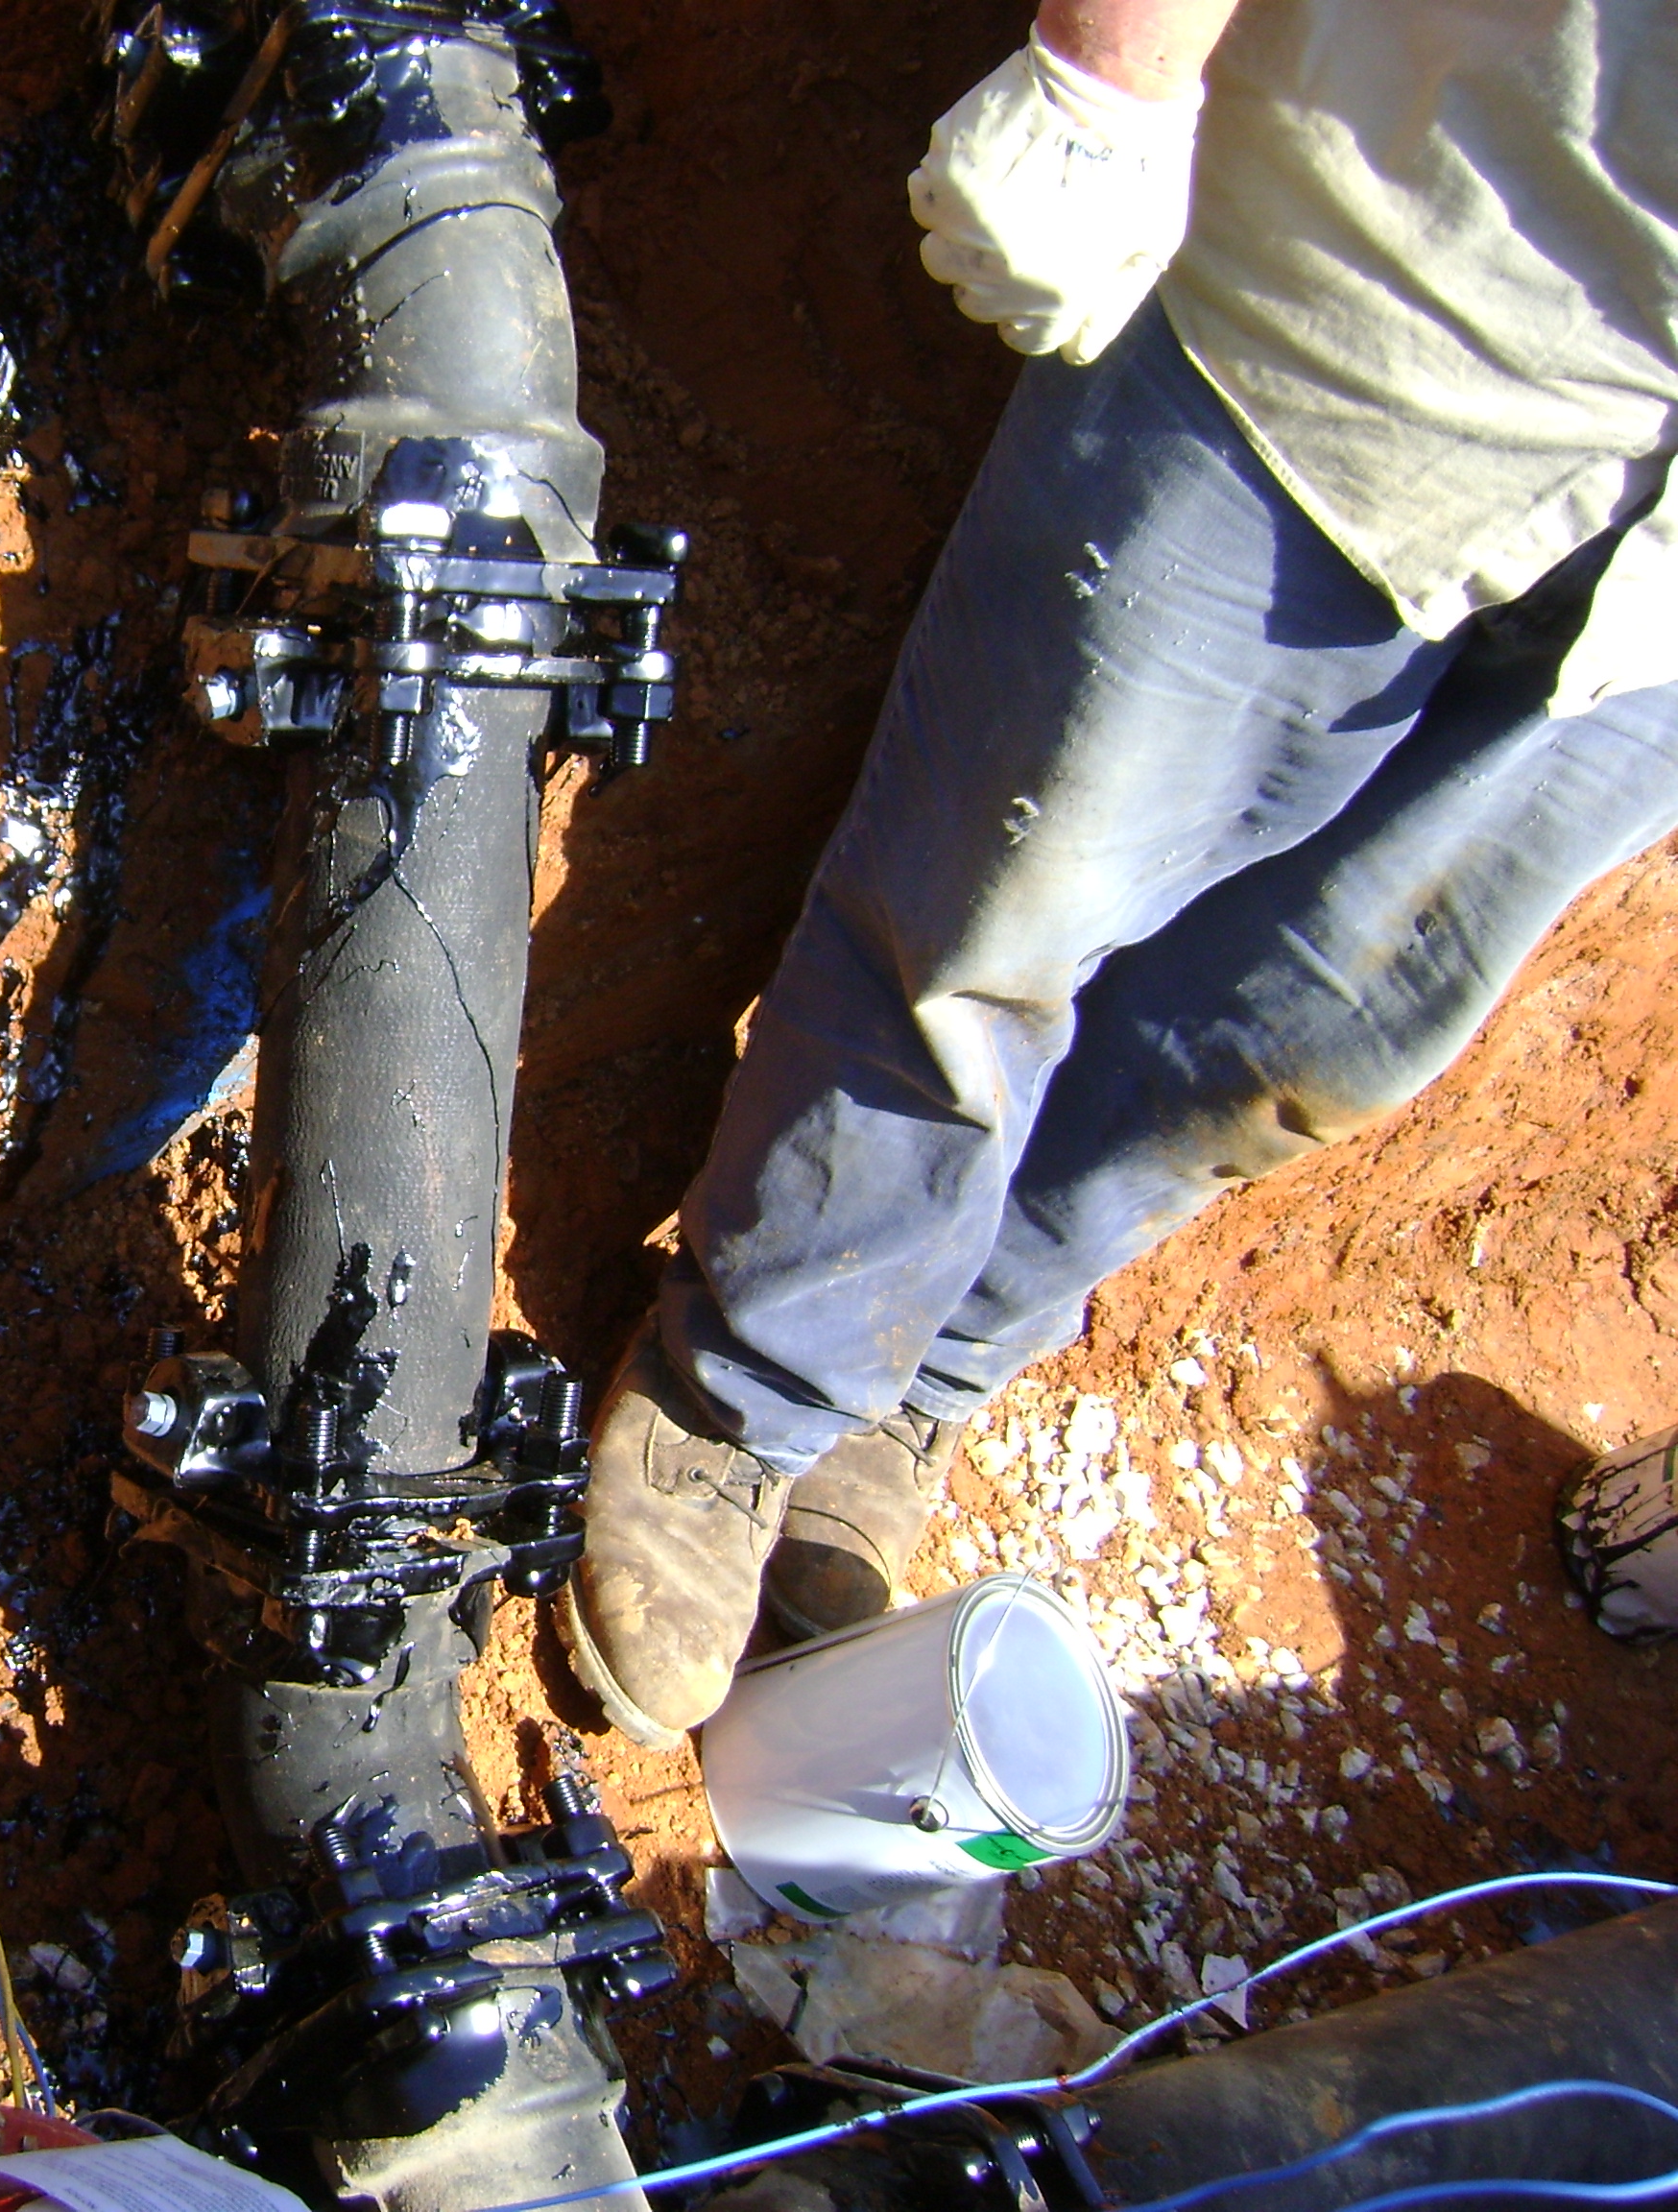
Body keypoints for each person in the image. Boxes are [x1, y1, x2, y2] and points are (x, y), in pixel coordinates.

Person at [563, 0, 1678, 1743]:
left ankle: (922, 1377)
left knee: (1300, 1039)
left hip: (1649, 636)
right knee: (1003, 900)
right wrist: (1109, 79)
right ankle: (753, 1396)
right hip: (1387, 301)